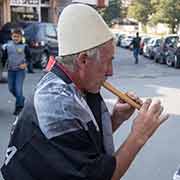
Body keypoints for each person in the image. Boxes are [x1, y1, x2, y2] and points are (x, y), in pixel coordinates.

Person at [1, 4, 169, 180]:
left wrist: (116, 118)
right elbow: (99, 176)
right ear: (83, 60)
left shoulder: (74, 85)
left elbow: (80, 143)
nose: (110, 72)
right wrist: (139, 135)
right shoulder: (56, 105)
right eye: (108, 61)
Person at [1, 28, 31, 115]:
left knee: (18, 89)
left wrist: (26, 64)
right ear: (11, 37)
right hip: (11, 71)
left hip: (20, 71)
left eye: (17, 37)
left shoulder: (25, 46)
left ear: (21, 37)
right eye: (14, 37)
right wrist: (3, 67)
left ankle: (19, 107)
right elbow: (4, 58)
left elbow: (29, 58)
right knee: (11, 88)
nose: (15, 38)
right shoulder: (8, 46)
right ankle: (21, 99)